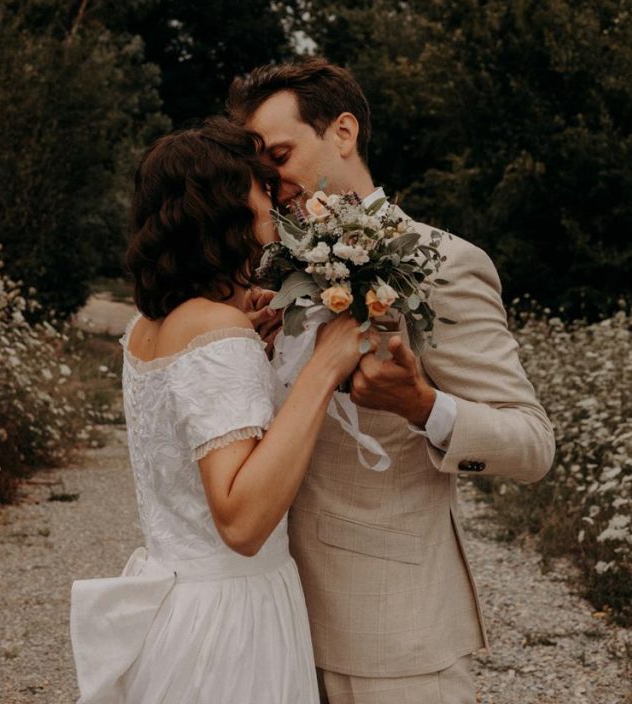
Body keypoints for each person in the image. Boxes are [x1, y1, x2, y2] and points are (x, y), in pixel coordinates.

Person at [227, 58, 556, 704]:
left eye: (282, 155)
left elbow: (531, 444)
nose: (273, 181)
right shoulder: (272, 275)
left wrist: (423, 406)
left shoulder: (446, 265)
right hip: (278, 629)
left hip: (393, 644)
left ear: (342, 133)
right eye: (260, 170)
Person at [69, 117, 377, 704]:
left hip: (177, 608)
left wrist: (245, 343)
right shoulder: (217, 332)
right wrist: (324, 366)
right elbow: (240, 520)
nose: (273, 199)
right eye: (260, 187)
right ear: (229, 207)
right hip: (232, 622)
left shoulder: (149, 327)